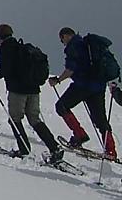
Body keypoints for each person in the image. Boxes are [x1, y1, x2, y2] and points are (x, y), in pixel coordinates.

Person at [0, 24, 62, 161]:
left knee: (14, 119)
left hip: (18, 90)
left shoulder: (6, 49)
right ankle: (54, 147)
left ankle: (24, 149)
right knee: (34, 119)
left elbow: (4, 70)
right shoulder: (22, 47)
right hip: (34, 89)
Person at [48, 27, 116, 160]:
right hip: (98, 86)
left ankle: (79, 135)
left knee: (61, 106)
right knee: (100, 119)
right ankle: (111, 150)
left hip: (83, 85)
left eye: (62, 40)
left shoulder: (73, 46)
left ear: (65, 36)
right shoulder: (88, 45)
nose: (63, 43)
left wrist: (58, 80)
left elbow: (70, 69)